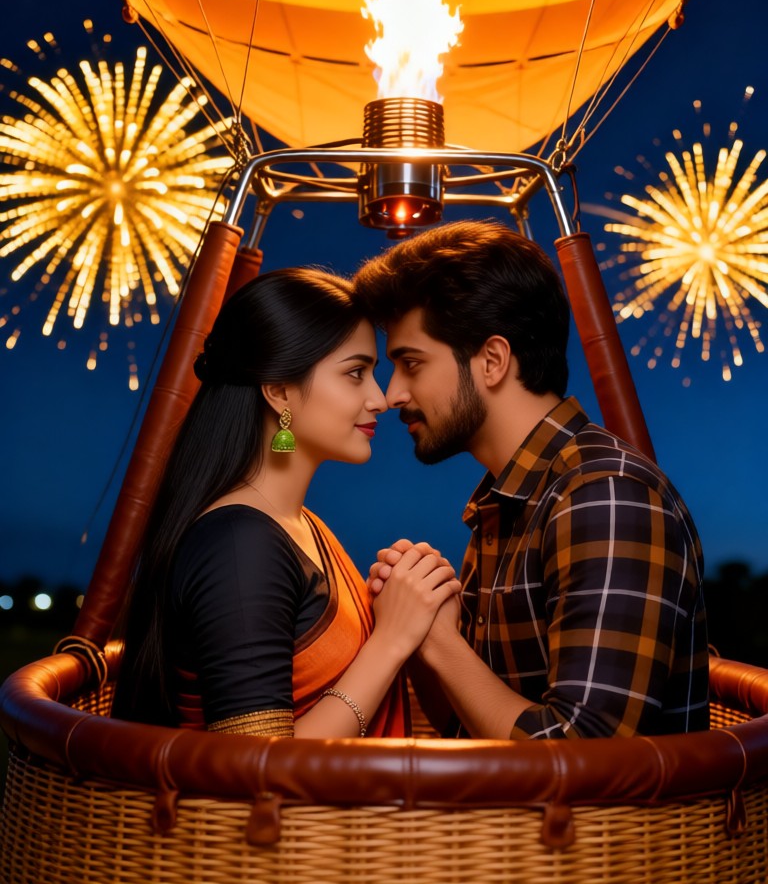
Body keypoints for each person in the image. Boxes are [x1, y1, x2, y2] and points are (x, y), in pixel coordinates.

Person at [356, 220, 709, 740]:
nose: (392, 395)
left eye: (411, 363)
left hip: (614, 824)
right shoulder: (507, 501)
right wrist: (415, 626)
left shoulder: (603, 495)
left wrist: (439, 641)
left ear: (492, 361)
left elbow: (584, 756)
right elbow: (476, 727)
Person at [112, 268, 460, 738]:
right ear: (278, 391)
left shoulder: (299, 525)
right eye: (355, 373)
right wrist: (392, 639)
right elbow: (256, 769)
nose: (380, 399)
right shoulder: (239, 545)